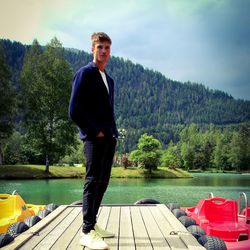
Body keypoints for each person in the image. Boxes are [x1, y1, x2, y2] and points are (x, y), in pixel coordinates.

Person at [69, 32, 118, 250]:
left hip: (109, 138)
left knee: (103, 181)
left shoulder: (109, 79)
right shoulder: (84, 74)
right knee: (92, 181)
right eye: (100, 47)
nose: (104, 51)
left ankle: (93, 224)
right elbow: (74, 110)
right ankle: (87, 231)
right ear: (92, 49)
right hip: (94, 138)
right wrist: (95, 131)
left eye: (107, 47)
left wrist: (112, 133)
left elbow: (108, 111)